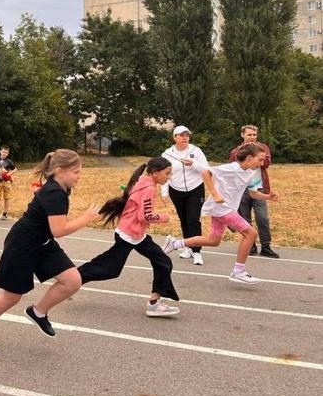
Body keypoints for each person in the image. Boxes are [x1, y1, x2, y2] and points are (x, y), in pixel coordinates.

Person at [0, 149, 99, 353]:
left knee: (72, 280)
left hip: (43, 243)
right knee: (12, 296)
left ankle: (38, 312)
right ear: (59, 171)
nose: (79, 176)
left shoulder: (60, 188)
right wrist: (86, 218)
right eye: (76, 172)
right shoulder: (54, 192)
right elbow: (59, 230)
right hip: (22, 245)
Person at [163, 143, 279, 285]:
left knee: (213, 241)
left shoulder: (250, 173)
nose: (262, 163)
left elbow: (253, 193)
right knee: (251, 234)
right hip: (223, 209)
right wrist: (215, 193)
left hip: (224, 210)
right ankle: (238, 271)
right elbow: (206, 173)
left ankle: (175, 243)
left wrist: (268, 197)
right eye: (260, 159)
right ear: (249, 157)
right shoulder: (231, 168)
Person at [78, 157, 180, 316]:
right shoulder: (149, 188)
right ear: (155, 173)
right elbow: (144, 216)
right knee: (110, 269)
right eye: (167, 173)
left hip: (136, 234)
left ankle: (154, 303)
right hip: (129, 235)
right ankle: (73, 278)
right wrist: (162, 217)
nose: (169, 176)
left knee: (163, 262)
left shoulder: (143, 182)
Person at [160, 125, 210, 265]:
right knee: (184, 219)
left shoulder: (196, 151)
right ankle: (188, 245)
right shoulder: (167, 154)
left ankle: (197, 252)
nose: (184, 138)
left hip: (195, 188)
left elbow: (207, 169)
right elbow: (164, 174)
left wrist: (193, 164)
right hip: (176, 190)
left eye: (187, 135)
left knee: (193, 219)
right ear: (175, 137)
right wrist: (164, 192)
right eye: (181, 135)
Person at [229, 125, 279, 258]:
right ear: (242, 135)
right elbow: (233, 165)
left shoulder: (263, 148)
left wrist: (257, 153)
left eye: (254, 135)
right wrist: (244, 150)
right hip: (242, 188)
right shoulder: (236, 150)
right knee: (245, 218)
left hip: (259, 186)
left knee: (262, 218)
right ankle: (251, 245)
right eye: (249, 135)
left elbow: (266, 164)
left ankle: (266, 246)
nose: (252, 137)